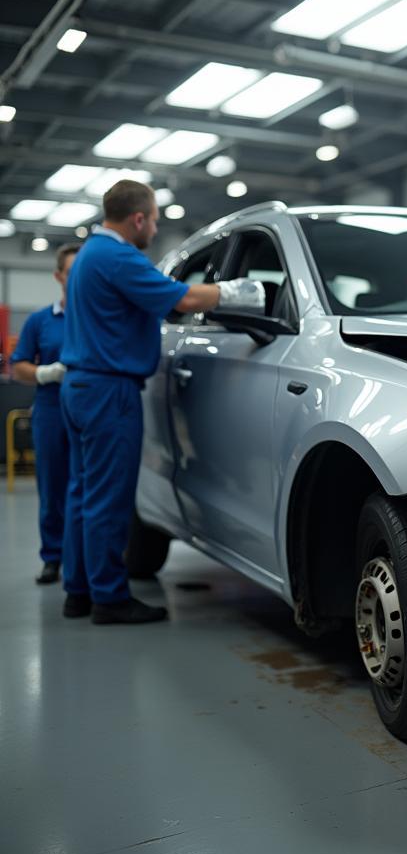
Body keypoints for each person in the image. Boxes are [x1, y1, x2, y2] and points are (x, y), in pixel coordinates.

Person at [60, 180, 264, 625]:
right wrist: (238, 293)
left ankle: (78, 592)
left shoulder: (91, 255)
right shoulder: (117, 257)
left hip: (81, 387)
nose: (154, 227)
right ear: (138, 218)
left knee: (83, 495)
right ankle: (109, 600)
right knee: (107, 501)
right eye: (153, 219)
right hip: (108, 392)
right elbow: (187, 298)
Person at [10, 243, 81, 585]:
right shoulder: (41, 320)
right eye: (71, 272)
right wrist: (47, 373)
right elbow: (17, 366)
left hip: (90, 410)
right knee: (53, 488)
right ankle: (53, 557)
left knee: (89, 488)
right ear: (58, 276)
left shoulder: (99, 316)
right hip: (52, 409)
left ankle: (85, 557)